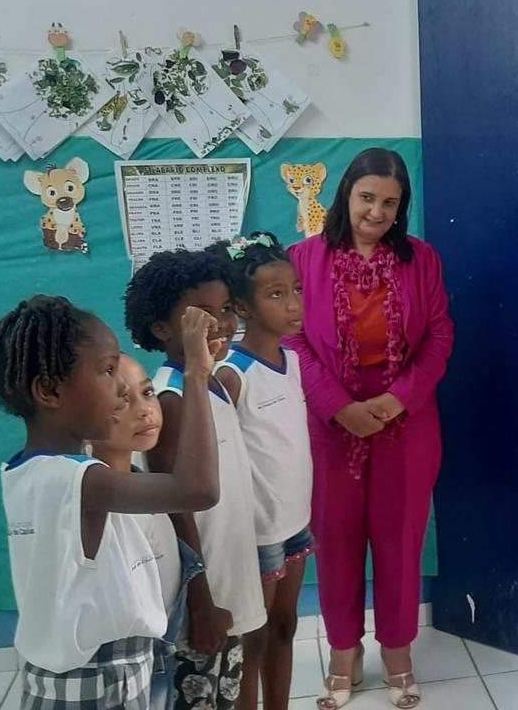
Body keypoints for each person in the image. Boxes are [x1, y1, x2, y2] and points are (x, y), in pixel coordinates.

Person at [0, 295, 221, 709]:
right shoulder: (78, 480)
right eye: (108, 371)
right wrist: (195, 373)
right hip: (98, 681)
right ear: (49, 390)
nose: (122, 389)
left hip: (84, 676)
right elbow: (198, 489)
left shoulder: (33, 472)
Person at [284, 148, 454, 709]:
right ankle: (343, 652)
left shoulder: (421, 259)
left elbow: (439, 336)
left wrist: (396, 400)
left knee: (401, 538)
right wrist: (338, 406)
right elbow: (291, 339)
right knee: (334, 539)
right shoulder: (302, 259)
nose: (376, 212)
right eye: (366, 198)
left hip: (405, 422)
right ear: (345, 194)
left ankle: (398, 653)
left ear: (401, 207)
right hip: (329, 425)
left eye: (389, 202)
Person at [126, 250, 267, 710]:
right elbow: (176, 507)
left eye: (225, 309)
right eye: (201, 315)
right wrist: (200, 600)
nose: (221, 323)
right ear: (162, 328)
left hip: (230, 579)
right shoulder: (171, 397)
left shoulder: (213, 383)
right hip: (203, 594)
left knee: (228, 693)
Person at [210, 233, 316, 710]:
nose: (293, 304)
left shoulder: (291, 360)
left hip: (295, 521)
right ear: (243, 307)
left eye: (296, 289)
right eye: (276, 295)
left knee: (285, 626)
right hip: (257, 533)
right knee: (251, 641)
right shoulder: (233, 375)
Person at [90, 354, 204, 710]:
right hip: (125, 675)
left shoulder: (149, 490)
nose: (145, 411)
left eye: (148, 392)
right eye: (124, 400)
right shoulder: (93, 507)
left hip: (162, 659)